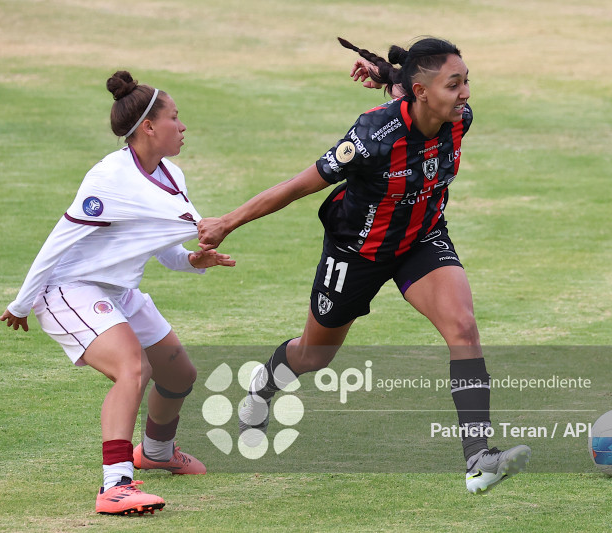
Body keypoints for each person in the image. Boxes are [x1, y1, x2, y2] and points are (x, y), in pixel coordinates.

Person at [197, 38, 530, 494]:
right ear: (422, 91)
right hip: (356, 252)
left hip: (421, 239)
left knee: (464, 328)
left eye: (467, 81)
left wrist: (386, 76)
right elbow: (300, 185)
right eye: (455, 84)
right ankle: (264, 384)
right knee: (315, 354)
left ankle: (478, 458)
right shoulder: (372, 137)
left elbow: (405, 89)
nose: (466, 93)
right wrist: (227, 223)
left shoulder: (457, 119)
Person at [0, 71, 236, 516]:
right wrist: (20, 303)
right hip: (68, 289)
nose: (182, 127)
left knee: (178, 374)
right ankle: (116, 484)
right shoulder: (108, 179)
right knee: (133, 366)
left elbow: (165, 249)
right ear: (148, 127)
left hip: (120, 289)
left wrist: (191, 259)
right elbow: (57, 243)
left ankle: (158, 452)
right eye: (175, 118)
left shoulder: (171, 174)